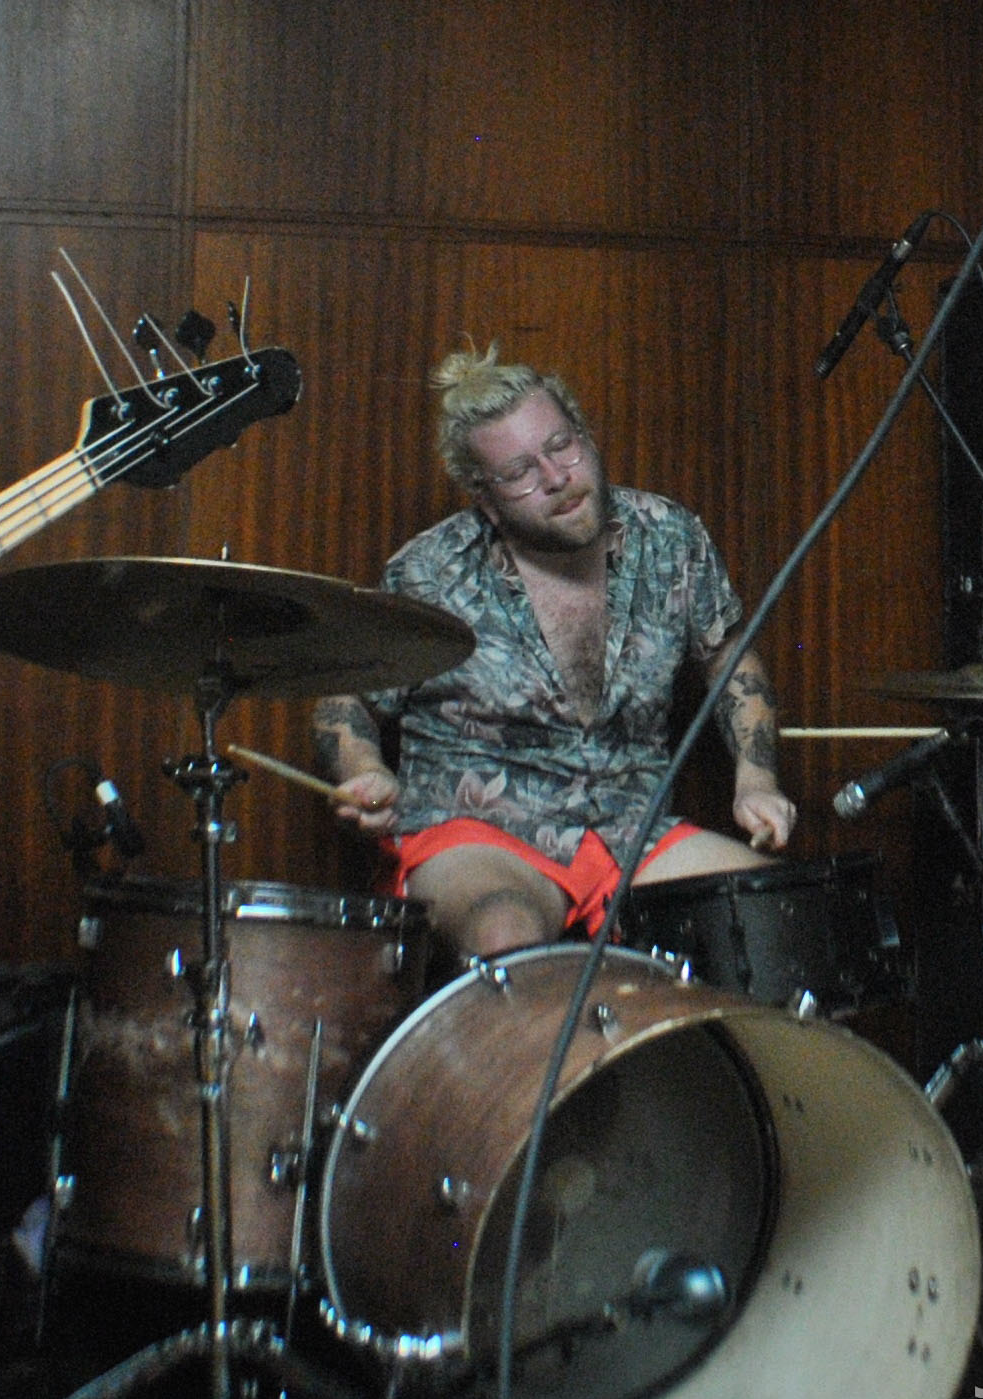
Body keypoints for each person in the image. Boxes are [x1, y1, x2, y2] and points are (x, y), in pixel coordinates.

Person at [311, 348, 797, 960]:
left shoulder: (670, 536)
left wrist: (756, 778)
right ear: (485, 499)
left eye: (562, 446)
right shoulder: (431, 572)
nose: (555, 477)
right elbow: (345, 698)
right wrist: (363, 769)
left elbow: (730, 659)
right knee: (505, 931)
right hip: (481, 835)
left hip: (631, 826)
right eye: (519, 471)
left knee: (773, 917)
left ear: (585, 436)